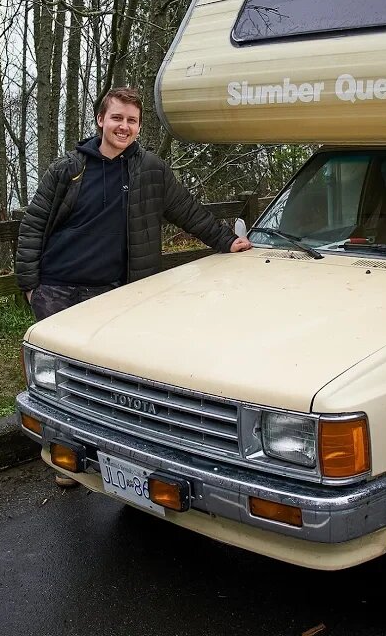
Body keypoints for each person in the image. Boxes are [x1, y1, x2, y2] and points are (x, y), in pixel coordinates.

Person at [15, 87, 253, 482]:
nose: (123, 126)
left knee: (102, 382)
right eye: (116, 118)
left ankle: (112, 459)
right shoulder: (70, 169)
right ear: (100, 120)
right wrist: (30, 285)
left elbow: (187, 210)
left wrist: (227, 240)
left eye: (131, 120)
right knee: (61, 381)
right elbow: (33, 225)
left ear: (139, 126)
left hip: (113, 294)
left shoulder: (150, 170)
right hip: (57, 289)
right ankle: (64, 458)